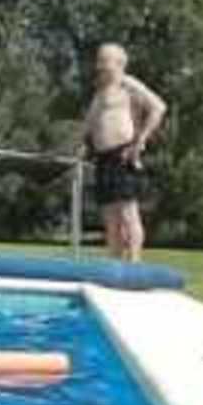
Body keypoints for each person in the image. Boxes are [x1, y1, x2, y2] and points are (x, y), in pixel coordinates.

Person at [76, 43, 167, 263]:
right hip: (103, 159)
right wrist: (81, 144)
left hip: (123, 155)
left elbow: (158, 107)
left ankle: (134, 264)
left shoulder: (127, 84)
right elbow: (89, 122)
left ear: (119, 62)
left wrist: (141, 139)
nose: (99, 65)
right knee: (110, 218)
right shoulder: (100, 90)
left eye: (104, 60)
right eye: (99, 60)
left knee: (127, 214)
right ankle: (115, 265)